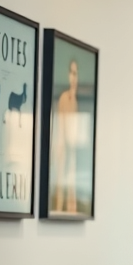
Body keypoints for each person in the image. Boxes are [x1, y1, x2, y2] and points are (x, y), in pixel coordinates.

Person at [50, 59, 79, 213]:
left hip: (71, 149)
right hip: (63, 148)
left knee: (71, 187)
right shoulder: (63, 99)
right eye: (72, 73)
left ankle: (69, 210)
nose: (74, 78)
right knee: (61, 184)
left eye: (76, 74)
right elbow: (60, 127)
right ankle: (59, 208)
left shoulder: (75, 101)